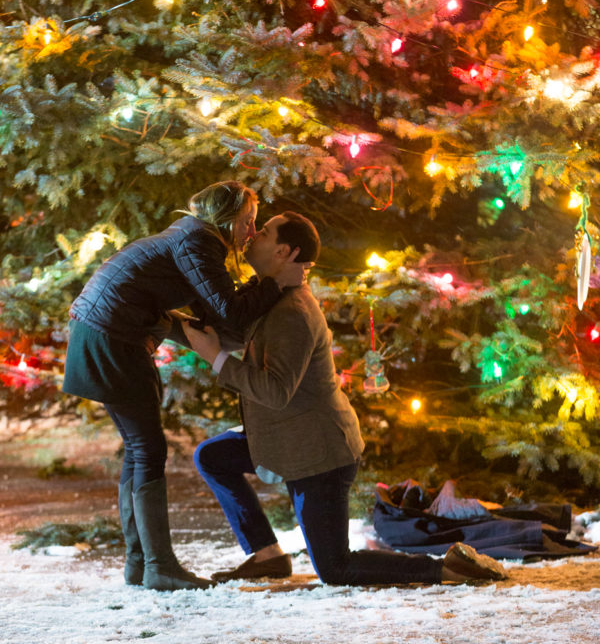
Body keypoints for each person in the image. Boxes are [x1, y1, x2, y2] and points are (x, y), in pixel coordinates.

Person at [185, 212, 508, 587]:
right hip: (286, 438)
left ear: (285, 252)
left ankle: (444, 569)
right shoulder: (269, 297)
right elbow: (236, 331)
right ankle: (268, 555)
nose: (253, 235)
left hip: (319, 454)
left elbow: (275, 391)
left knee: (336, 568)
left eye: (265, 231)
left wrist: (215, 358)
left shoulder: (294, 312)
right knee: (213, 456)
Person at [62, 181, 306, 592]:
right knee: (146, 449)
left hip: (103, 332)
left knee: (139, 450)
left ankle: (142, 563)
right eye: (249, 222)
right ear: (227, 218)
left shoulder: (192, 238)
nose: (251, 231)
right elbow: (228, 313)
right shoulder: (199, 241)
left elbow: (211, 312)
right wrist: (275, 284)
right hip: (112, 337)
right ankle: (158, 566)